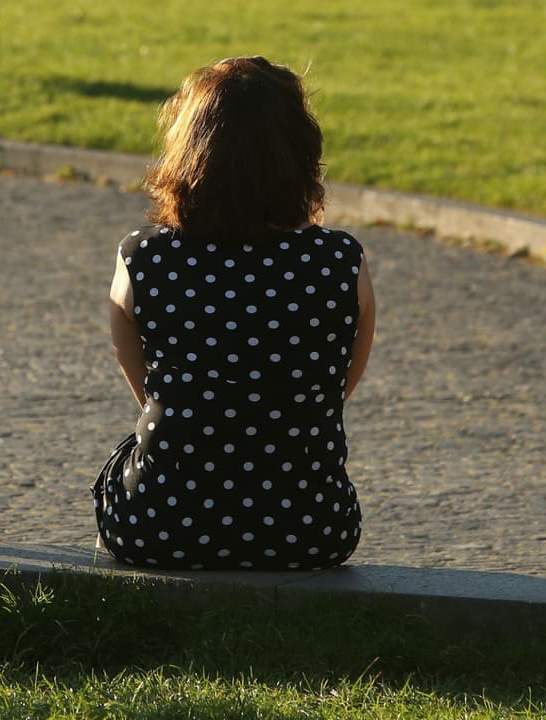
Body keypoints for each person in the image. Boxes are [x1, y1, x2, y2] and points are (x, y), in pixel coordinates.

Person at [94, 56, 376, 571]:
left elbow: (146, 389)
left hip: (158, 525)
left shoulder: (143, 257)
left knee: (134, 450)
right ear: (301, 155)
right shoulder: (340, 260)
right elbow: (337, 387)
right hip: (311, 528)